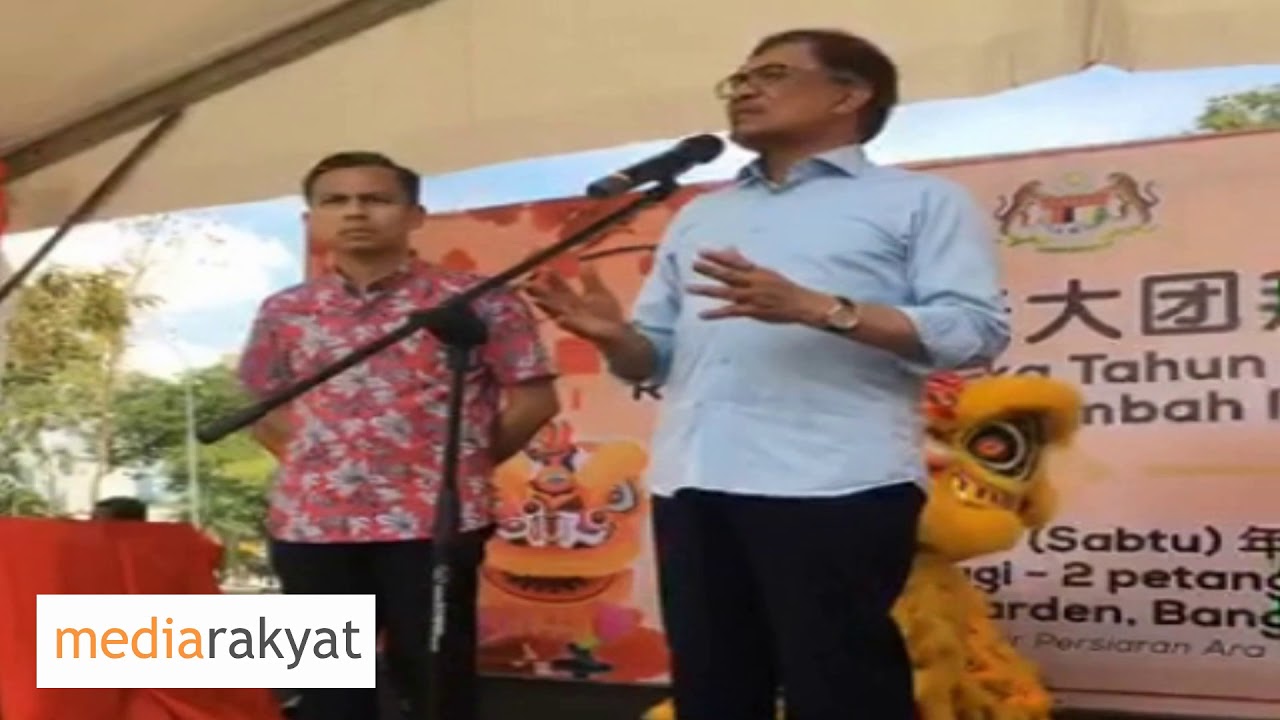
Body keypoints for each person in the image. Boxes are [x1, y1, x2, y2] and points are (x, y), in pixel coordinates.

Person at [525, 29, 1010, 720]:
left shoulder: (920, 201)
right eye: (739, 80)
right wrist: (616, 339)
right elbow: (654, 358)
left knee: (841, 690)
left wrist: (823, 309)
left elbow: (975, 332)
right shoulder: (703, 214)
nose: (746, 90)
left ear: (849, 94)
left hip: (833, 481)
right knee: (713, 691)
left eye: (773, 74)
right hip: (695, 479)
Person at [238, 151, 560, 720]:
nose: (355, 212)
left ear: (415, 215)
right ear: (311, 218)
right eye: (335, 201)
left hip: (432, 524)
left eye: (376, 199)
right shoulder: (285, 310)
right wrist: (319, 466)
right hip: (311, 525)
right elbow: (262, 405)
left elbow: (536, 400)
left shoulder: (477, 300)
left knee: (435, 686)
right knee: (328, 698)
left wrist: (460, 466)